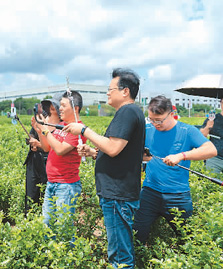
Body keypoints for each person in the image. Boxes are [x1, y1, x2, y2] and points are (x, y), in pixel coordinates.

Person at [63, 68, 145, 268]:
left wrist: (84, 130)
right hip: (118, 193)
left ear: (125, 91)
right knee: (119, 250)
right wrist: (93, 152)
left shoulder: (127, 111)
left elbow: (113, 148)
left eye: (111, 89)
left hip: (118, 194)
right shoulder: (130, 112)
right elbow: (117, 150)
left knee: (119, 256)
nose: (107, 93)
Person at [133, 95, 217, 245]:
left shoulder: (187, 131)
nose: (155, 124)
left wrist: (182, 155)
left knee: (186, 240)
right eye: (151, 119)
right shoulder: (148, 129)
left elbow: (211, 150)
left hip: (178, 196)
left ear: (171, 114)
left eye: (159, 120)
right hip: (149, 192)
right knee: (137, 234)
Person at [32, 90, 87, 238]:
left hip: (66, 185)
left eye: (63, 105)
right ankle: (51, 258)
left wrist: (46, 131)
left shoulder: (78, 129)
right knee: (47, 224)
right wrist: (39, 130)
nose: (59, 109)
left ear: (75, 109)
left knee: (64, 228)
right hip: (52, 183)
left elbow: (61, 150)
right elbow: (47, 148)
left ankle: (67, 260)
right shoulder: (61, 125)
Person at [24, 94, 62, 214]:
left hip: (46, 161)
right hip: (34, 160)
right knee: (31, 192)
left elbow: (51, 147)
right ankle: (30, 218)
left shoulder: (59, 125)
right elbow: (33, 136)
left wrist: (39, 144)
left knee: (45, 193)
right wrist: (32, 143)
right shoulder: (40, 120)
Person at [200, 92, 223, 182]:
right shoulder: (213, 119)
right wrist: (208, 126)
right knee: (211, 185)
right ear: (220, 103)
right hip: (214, 160)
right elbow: (202, 136)